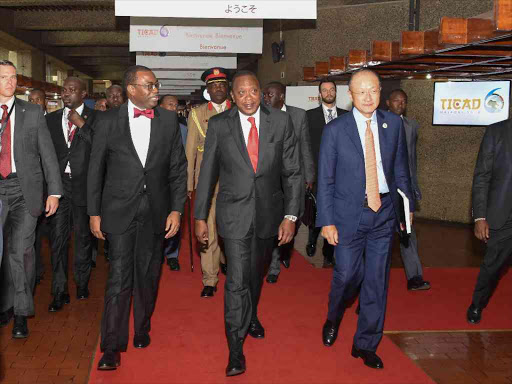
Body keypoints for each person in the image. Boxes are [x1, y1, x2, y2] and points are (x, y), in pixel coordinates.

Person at [194, 70, 302, 376]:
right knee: (238, 280)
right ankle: (236, 348)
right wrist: (200, 216)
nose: (248, 98)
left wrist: (291, 216)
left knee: (256, 275)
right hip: (233, 216)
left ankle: (252, 314)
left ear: (261, 91)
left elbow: (293, 172)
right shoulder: (218, 125)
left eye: (253, 91)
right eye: (241, 93)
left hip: (270, 216)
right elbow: (207, 175)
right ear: (232, 95)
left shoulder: (280, 122)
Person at [88, 65, 187, 370]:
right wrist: (93, 212)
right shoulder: (106, 122)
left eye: (156, 85)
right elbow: (95, 170)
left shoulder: (169, 120)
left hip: (156, 211)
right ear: (131, 89)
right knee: (119, 276)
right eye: (149, 86)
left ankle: (142, 327)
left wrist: (176, 209)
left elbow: (177, 169)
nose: (155, 90)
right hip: (118, 211)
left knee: (148, 274)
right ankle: (112, 346)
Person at [317, 69, 413, 369]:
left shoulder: (393, 124)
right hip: (347, 216)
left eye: (373, 90)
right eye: (361, 92)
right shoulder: (335, 130)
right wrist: (326, 221)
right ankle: (334, 315)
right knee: (346, 275)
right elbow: (325, 179)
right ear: (351, 95)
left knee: (376, 281)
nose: (368, 97)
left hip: (383, 213)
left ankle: (366, 343)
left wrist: (405, 208)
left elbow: (400, 169)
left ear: (380, 91)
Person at [0, 60, 62, 338]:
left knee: (20, 251)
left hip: (24, 191)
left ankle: (21, 313)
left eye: (13, 77)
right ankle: (5, 303)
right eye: (4, 77)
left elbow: (48, 154)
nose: (10, 82)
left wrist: (54, 191)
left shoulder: (32, 112)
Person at [46, 77, 97, 312]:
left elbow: (101, 149)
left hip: (84, 186)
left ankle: (82, 283)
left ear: (83, 94)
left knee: (83, 238)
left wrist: (82, 125)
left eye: (72, 90)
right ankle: (59, 291)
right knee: (58, 240)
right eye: (64, 90)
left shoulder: (96, 118)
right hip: (59, 187)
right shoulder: (51, 119)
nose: (66, 94)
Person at [262, 81, 314, 283]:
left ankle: (285, 250)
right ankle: (274, 266)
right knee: (276, 219)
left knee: (294, 216)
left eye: (270, 94)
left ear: (281, 96)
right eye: (265, 94)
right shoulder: (262, 116)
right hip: (273, 180)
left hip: (295, 177)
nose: (266, 98)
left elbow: (305, 147)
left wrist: (309, 176)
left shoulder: (299, 115)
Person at [186, 68, 229, 297]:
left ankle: (226, 259)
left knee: (230, 227)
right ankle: (210, 280)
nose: (218, 89)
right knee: (209, 230)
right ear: (207, 90)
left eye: (222, 84)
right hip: (208, 182)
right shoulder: (197, 113)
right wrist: (189, 185)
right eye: (213, 85)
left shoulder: (239, 110)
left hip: (235, 182)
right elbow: (190, 151)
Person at [467, 118, 512, 324]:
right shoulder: (497, 132)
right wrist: (480, 216)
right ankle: (477, 304)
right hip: (504, 215)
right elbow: (482, 176)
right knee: (493, 266)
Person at [386, 89, 430, 291]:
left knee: (408, 233)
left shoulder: (411, 126)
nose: (400, 104)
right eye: (396, 101)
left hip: (403, 190)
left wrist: (413, 188)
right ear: (388, 103)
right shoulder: (378, 123)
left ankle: (415, 277)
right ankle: (370, 280)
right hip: (383, 190)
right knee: (379, 237)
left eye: (404, 101)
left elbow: (412, 160)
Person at [306, 80, 348, 267]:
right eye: (325, 90)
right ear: (319, 93)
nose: (329, 92)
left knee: (336, 212)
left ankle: (328, 252)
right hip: (317, 173)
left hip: (341, 175)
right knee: (316, 209)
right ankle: (312, 236)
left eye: (332, 89)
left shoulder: (347, 116)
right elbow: (305, 147)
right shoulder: (309, 117)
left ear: (336, 92)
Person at [159, 94, 188, 271]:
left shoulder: (184, 127)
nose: (173, 108)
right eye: (169, 105)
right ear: (160, 106)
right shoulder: (151, 124)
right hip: (155, 181)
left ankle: (172, 255)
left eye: (175, 105)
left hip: (175, 180)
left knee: (175, 216)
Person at [28, 88, 48, 285]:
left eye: (38, 99)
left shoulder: (50, 122)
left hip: (48, 187)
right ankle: (35, 270)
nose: (34, 103)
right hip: (30, 187)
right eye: (31, 100)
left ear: (44, 102)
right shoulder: (22, 122)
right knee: (32, 233)